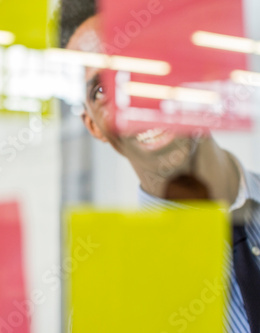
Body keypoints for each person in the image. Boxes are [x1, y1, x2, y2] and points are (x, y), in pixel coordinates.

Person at [61, 0, 260, 332]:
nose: (133, 98)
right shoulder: (110, 304)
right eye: (101, 88)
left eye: (144, 59)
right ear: (93, 126)